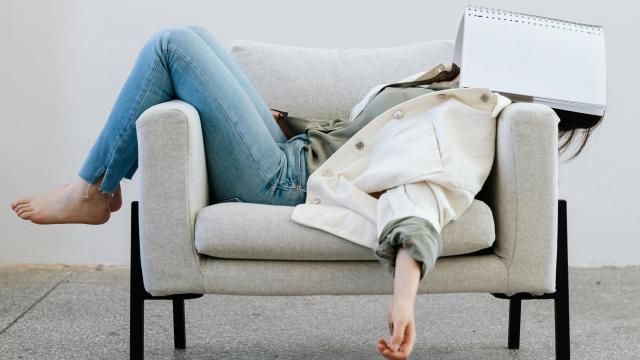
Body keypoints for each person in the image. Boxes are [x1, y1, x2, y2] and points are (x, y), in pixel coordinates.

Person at [9, 26, 603, 360]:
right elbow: (357, 140)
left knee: (172, 46)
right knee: (188, 37)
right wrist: (279, 121)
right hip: (290, 152)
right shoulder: (457, 88)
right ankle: (95, 187)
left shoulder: (476, 119)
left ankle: (93, 190)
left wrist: (404, 300)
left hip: (284, 181)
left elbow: (422, 197)